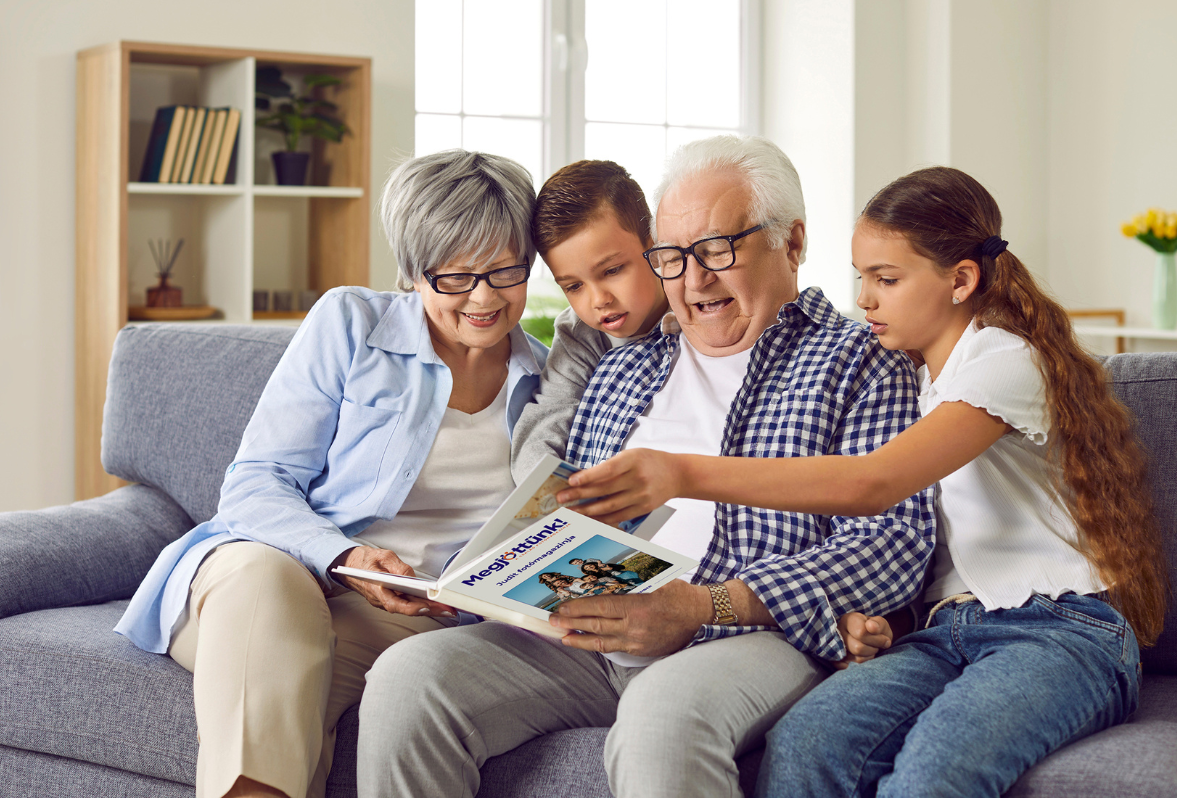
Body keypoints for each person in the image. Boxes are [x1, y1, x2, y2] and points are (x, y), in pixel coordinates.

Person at [559, 165, 1169, 798]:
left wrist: (683, 473)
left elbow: (874, 485)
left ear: (961, 281)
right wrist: (882, 624)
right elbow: (928, 546)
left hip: (1059, 631)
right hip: (946, 631)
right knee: (809, 741)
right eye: (862, 279)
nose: (865, 299)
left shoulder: (1005, 362)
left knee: (936, 769)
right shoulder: (916, 377)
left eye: (887, 279)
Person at [356, 136, 936, 798]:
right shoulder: (624, 363)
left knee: (660, 717)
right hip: (591, 632)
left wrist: (699, 605)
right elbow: (567, 511)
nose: (694, 280)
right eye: (674, 257)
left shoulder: (863, 360)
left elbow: (893, 544)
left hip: (747, 635)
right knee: (409, 678)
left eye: (719, 249)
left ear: (793, 242)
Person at [114, 150, 548, 798]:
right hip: (269, 568)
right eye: (454, 276)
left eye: (504, 271)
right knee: (271, 591)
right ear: (412, 273)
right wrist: (345, 557)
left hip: (416, 617)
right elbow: (256, 483)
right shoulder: (351, 323)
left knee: (286, 697)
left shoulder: (548, 377)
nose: (483, 297)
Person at [510, 160, 669, 481]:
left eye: (612, 271)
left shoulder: (698, 308)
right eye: (574, 286)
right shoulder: (579, 333)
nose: (599, 300)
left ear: (655, 248)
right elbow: (547, 420)